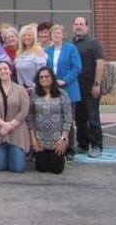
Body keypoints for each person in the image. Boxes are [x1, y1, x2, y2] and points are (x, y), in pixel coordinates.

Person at [0, 61, 30, 173]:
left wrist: (11, 125)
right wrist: (4, 125)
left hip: (17, 130)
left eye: (5, 68)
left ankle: (14, 152)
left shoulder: (20, 90)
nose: (3, 71)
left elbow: (24, 111)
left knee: (18, 168)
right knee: (0, 167)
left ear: (10, 71)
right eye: (0, 69)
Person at [45, 24, 82, 160]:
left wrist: (64, 80)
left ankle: (70, 149)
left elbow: (77, 67)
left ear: (63, 35)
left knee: (68, 120)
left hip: (68, 88)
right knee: (54, 119)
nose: (56, 35)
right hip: (51, 90)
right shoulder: (47, 50)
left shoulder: (71, 49)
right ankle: (55, 146)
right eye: (53, 33)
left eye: (58, 33)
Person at [72, 17, 106, 158]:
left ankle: (97, 146)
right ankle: (83, 145)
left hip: (90, 87)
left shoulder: (93, 43)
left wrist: (97, 83)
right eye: (76, 24)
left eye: (81, 24)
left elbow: (100, 63)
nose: (78, 26)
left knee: (92, 117)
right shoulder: (71, 44)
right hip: (76, 87)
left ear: (86, 27)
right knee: (79, 118)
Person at [28, 67, 72, 174]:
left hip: (57, 141)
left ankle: (62, 156)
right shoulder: (34, 95)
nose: (44, 79)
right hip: (40, 141)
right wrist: (33, 139)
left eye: (47, 76)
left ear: (52, 78)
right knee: (41, 168)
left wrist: (64, 139)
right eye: (41, 77)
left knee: (56, 170)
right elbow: (30, 118)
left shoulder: (62, 94)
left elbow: (68, 117)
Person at [14, 24, 47, 91]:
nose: (27, 37)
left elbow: (42, 71)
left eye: (29, 35)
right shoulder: (19, 52)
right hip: (23, 89)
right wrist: (21, 87)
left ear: (33, 37)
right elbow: (18, 73)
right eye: (24, 35)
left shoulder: (38, 50)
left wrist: (36, 87)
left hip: (37, 88)